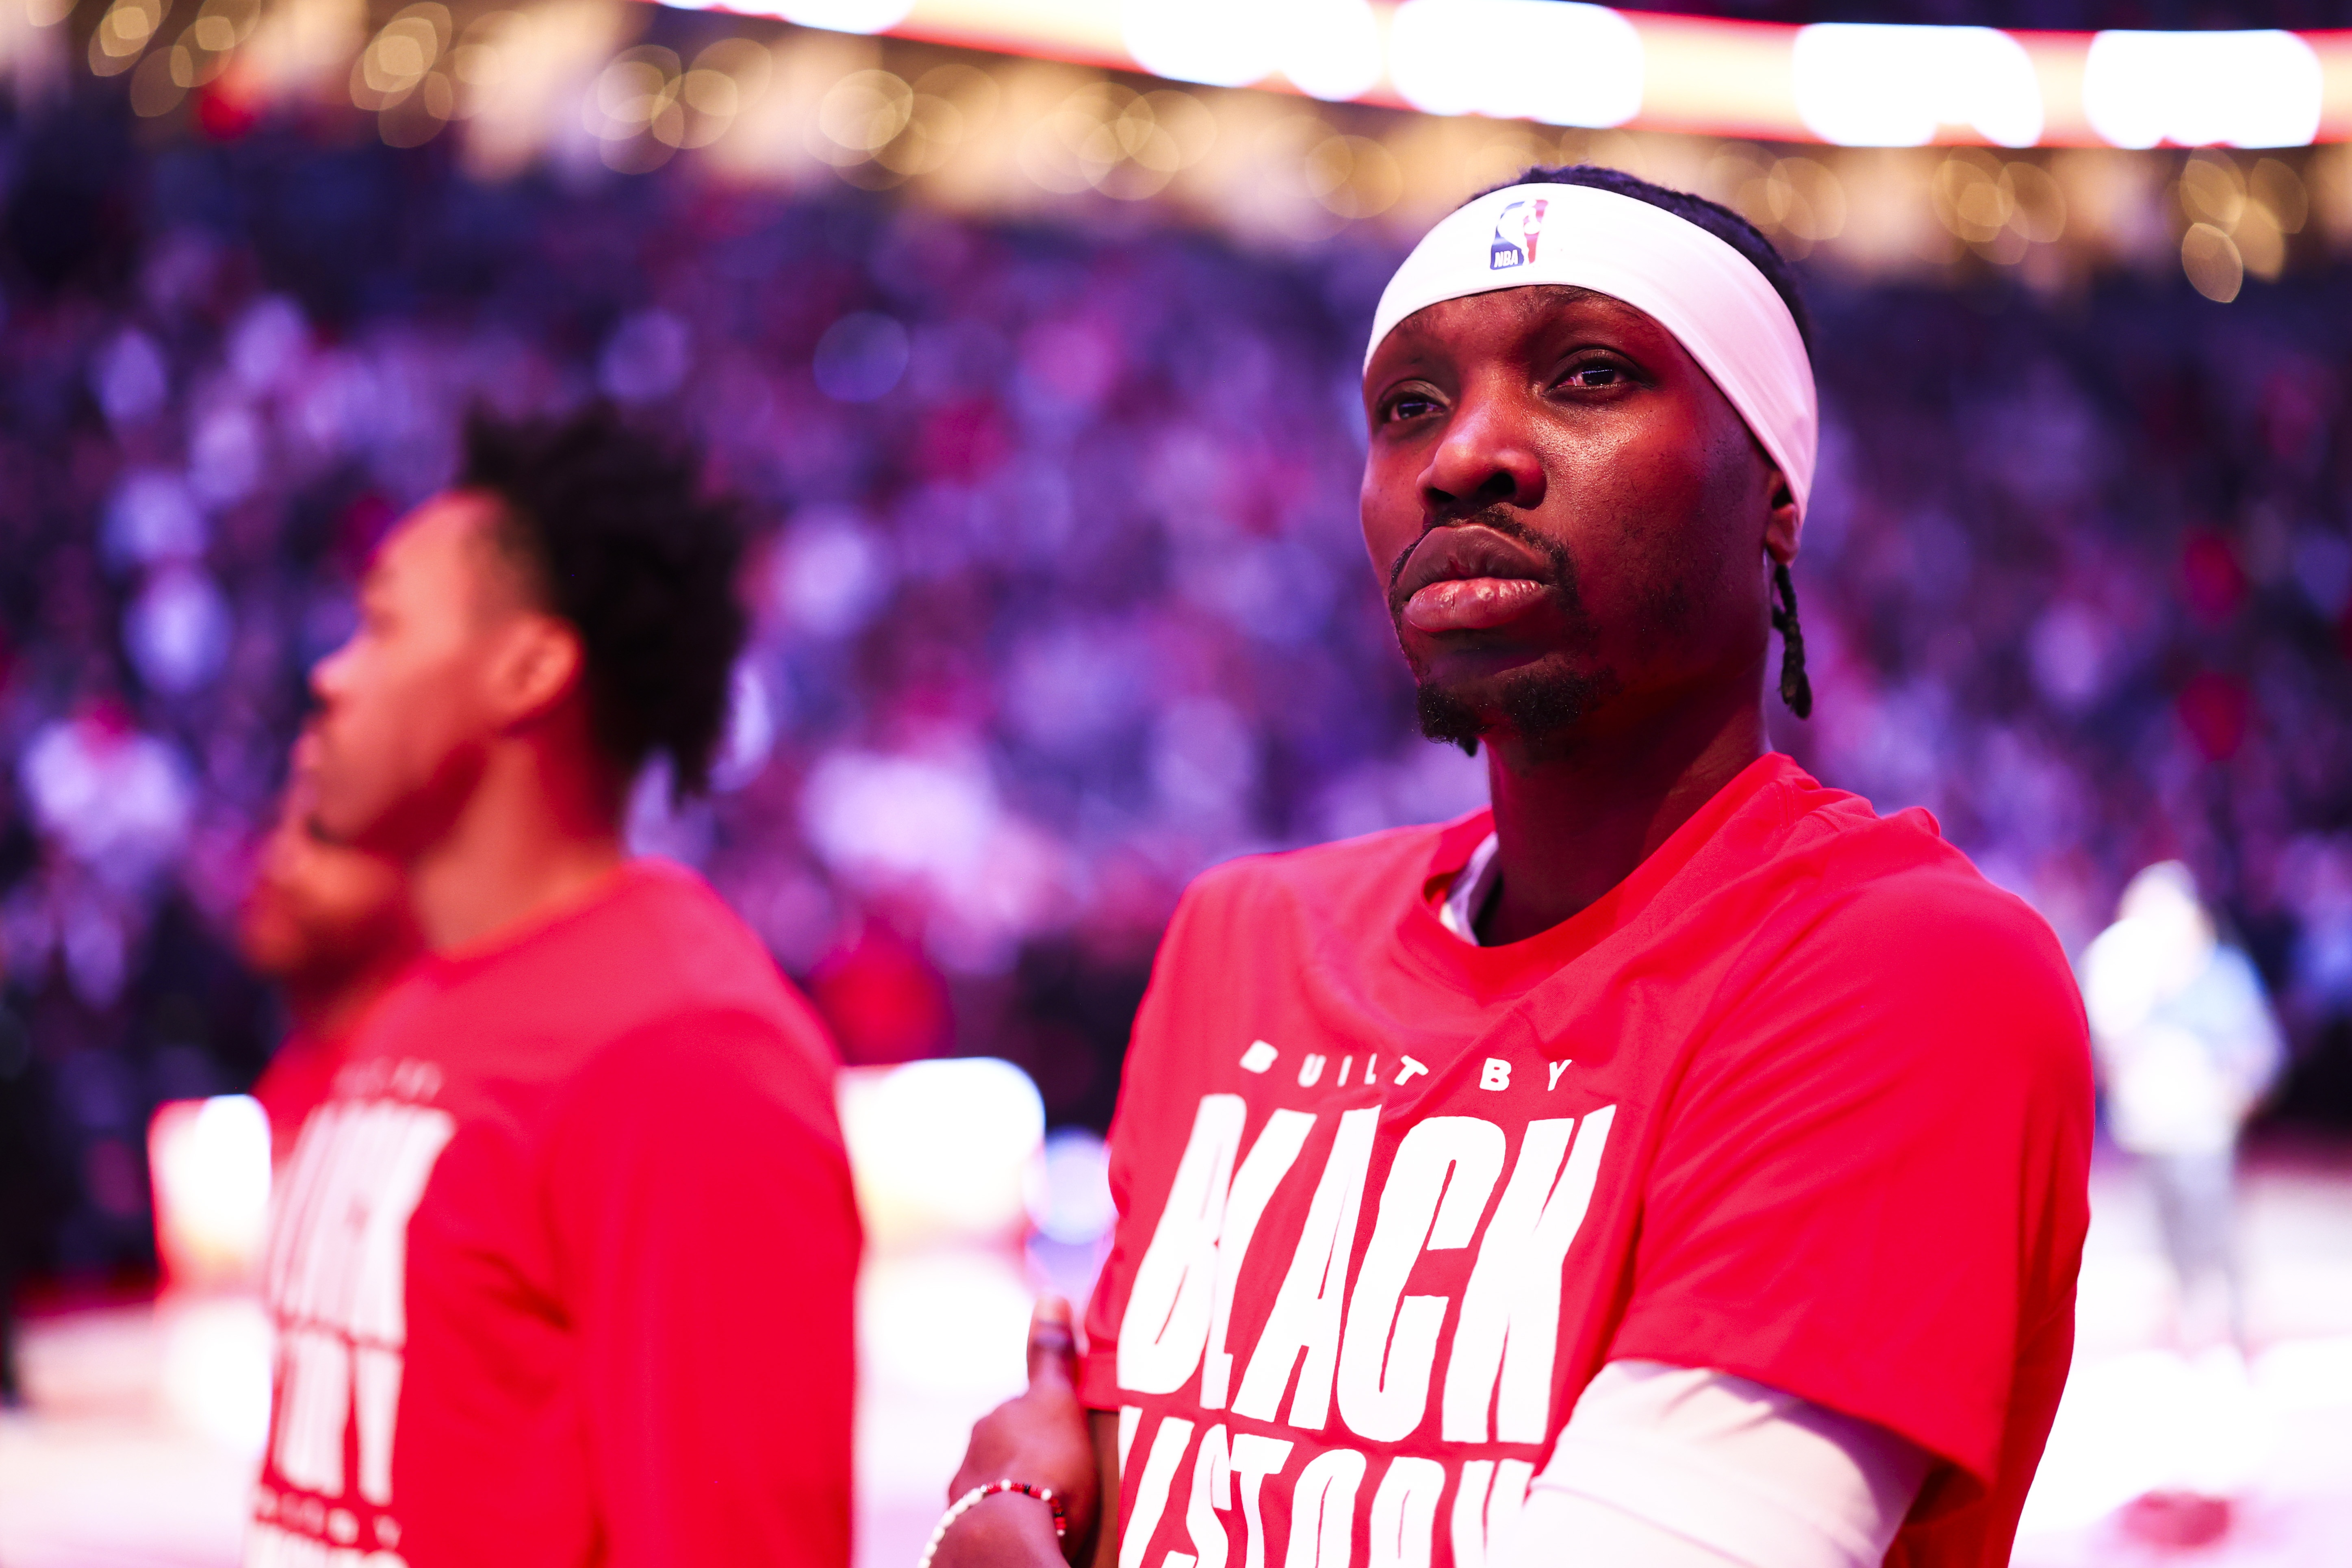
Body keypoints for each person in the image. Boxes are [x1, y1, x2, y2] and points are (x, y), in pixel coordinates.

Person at [935, 167, 2093, 1568]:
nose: (1464, 453)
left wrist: (998, 1535)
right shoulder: (1241, 936)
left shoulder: (1903, 971)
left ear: (1775, 493)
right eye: (1407, 405)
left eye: (1588, 373)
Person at [249, 405, 860, 1568]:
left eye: (381, 625)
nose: (330, 675)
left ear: (529, 668)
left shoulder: (687, 1057)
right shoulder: (423, 1002)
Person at [2081, 861, 2283, 1353]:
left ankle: (2236, 1324)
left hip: (2201, 1131)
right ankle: (2190, 1321)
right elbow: (2110, 1048)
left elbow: (2259, 1047)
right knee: (2166, 1231)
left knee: (2213, 1228)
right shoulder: (2132, 977)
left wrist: (2237, 1092)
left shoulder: (2218, 976)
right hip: (2150, 1131)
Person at [238, 737, 422, 1167]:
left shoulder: (422, 1091)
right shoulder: (292, 1075)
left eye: (324, 838)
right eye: (273, 826)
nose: (277, 863)